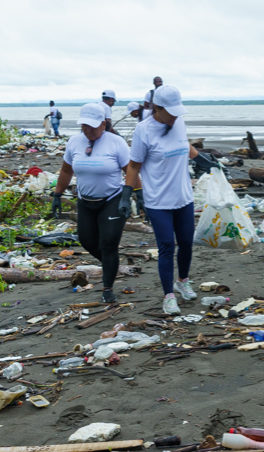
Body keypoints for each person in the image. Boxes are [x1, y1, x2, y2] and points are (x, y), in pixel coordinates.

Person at [124, 85, 217, 314]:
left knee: (186, 243)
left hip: (183, 196)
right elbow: (134, 165)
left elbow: (184, 146)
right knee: (167, 246)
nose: (175, 116)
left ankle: (182, 281)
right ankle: (168, 295)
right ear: (157, 108)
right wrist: (128, 194)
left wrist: (203, 160)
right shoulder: (143, 131)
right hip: (157, 200)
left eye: (178, 111)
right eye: (171, 111)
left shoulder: (178, 122)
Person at [50, 103, 138, 304]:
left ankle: (108, 287)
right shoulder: (74, 142)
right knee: (87, 241)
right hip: (85, 202)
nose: (87, 130)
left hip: (112, 200)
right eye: (84, 126)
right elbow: (66, 171)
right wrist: (57, 195)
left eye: (92, 126)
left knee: (109, 243)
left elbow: (131, 171)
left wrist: (134, 196)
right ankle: (112, 265)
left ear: (104, 123)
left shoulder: (116, 143)